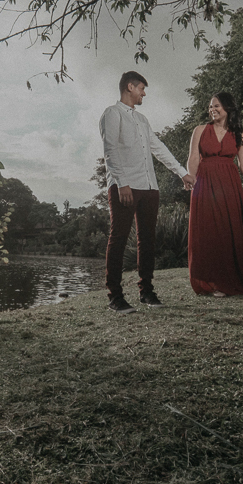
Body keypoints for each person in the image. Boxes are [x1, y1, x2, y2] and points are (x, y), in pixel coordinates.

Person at [99, 71, 195, 313]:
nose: (144, 93)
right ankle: (115, 297)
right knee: (118, 238)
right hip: (125, 186)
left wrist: (181, 172)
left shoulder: (143, 120)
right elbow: (110, 149)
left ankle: (147, 292)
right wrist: (121, 183)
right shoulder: (112, 114)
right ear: (130, 87)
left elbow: (158, 148)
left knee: (147, 240)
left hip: (150, 187)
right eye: (141, 88)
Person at [186, 92, 243, 296]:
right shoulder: (200, 130)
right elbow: (193, 158)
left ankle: (228, 280)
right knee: (210, 234)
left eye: (217, 106)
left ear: (228, 108)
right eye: (210, 107)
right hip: (205, 185)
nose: (212, 110)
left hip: (230, 185)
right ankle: (214, 283)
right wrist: (191, 180)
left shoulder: (240, 133)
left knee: (232, 232)